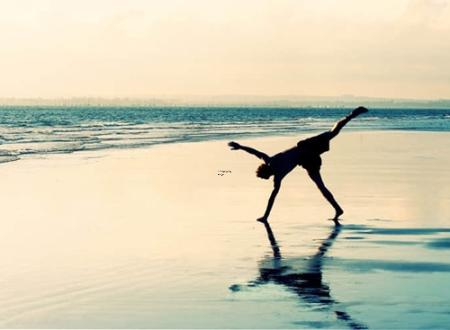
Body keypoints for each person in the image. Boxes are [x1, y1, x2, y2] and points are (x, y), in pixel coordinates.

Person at [228, 106, 368, 225]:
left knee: (321, 185)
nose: (266, 179)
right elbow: (255, 152)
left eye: (264, 177)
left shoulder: (277, 176)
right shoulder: (270, 161)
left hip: (307, 154)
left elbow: (272, 197)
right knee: (332, 133)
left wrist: (266, 216)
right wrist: (240, 146)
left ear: (267, 173)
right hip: (307, 155)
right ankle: (350, 116)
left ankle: (337, 208)